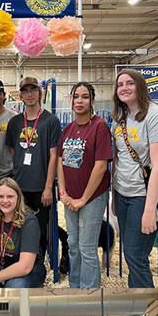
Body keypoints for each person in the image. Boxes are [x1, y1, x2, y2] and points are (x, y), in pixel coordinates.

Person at [111, 68, 158, 288]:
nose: (124, 88)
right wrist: (115, 198)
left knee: (136, 256)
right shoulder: (122, 117)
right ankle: (136, 305)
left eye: (130, 83)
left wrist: (150, 209)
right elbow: (119, 158)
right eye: (120, 84)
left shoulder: (156, 115)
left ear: (140, 86)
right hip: (122, 192)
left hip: (142, 196)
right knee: (132, 254)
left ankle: (146, 310)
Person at [57, 81, 112, 289]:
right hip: (70, 197)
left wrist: (82, 199)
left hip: (92, 197)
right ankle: (75, 288)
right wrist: (63, 192)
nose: (79, 101)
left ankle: (89, 294)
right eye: (76, 97)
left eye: (84, 97)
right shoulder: (68, 129)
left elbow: (100, 167)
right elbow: (60, 162)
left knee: (87, 247)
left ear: (92, 101)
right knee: (72, 245)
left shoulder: (99, 127)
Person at [6, 77, 60, 260]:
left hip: (40, 187)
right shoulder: (14, 123)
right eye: (25, 91)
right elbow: (13, 151)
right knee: (18, 226)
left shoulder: (50, 121)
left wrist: (48, 187)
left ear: (39, 93)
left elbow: (54, 155)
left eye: (33, 90)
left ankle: (37, 265)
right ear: (21, 95)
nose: (29, 94)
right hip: (19, 186)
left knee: (40, 228)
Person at [0, 178, 47, 288]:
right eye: (0, 196)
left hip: (28, 272)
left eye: (10, 196)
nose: (5, 201)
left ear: (18, 198)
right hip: (2, 271)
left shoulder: (29, 221)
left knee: (14, 285)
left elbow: (25, 266)